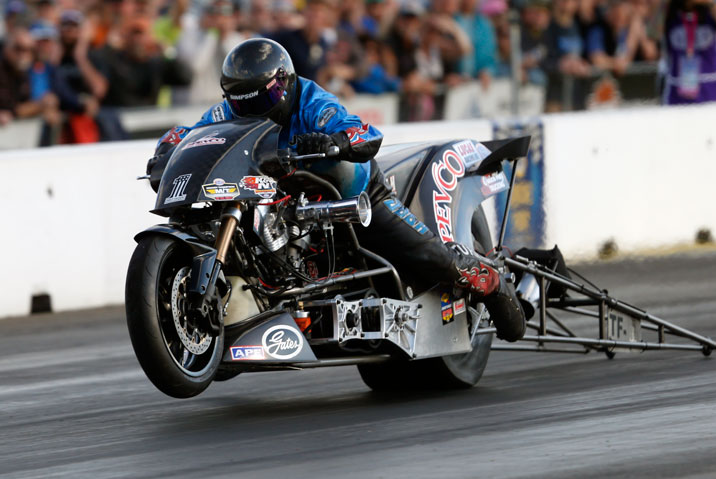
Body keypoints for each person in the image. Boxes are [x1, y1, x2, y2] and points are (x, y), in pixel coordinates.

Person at [150, 38, 526, 342]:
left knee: (431, 258)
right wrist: (167, 152)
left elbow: (365, 132)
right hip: (281, 198)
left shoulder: (312, 102)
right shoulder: (234, 109)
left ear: (284, 83)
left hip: (351, 198)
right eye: (241, 103)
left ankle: (489, 282)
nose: (253, 112)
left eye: (264, 101)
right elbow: (191, 134)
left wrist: (335, 142)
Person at [661, 0, 716, 104]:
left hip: (711, 88)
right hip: (677, 91)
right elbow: (652, 31)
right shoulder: (670, 13)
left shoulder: (712, 12)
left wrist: (709, 3)